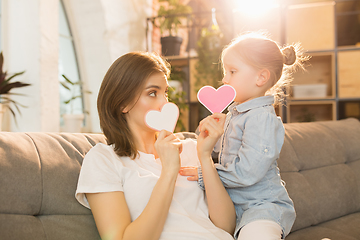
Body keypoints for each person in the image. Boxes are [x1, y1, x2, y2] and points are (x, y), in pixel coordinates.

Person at [75, 51, 236, 240]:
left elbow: (225, 227)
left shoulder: (192, 148)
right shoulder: (103, 159)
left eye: (165, 92)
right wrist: (169, 171)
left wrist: (205, 156)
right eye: (152, 93)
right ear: (123, 104)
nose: (164, 102)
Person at [180, 32, 309, 240]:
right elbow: (216, 151)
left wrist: (206, 175)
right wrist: (206, 134)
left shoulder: (261, 119)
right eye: (225, 71)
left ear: (261, 77)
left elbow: (248, 172)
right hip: (231, 209)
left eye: (232, 71)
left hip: (261, 208)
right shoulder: (234, 114)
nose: (224, 78)